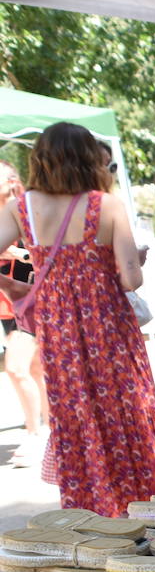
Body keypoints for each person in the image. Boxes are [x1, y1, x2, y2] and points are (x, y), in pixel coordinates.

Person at [0, 122, 155, 516]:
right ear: (90, 159)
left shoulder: (22, 207)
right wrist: (130, 261)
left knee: (76, 411)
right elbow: (132, 278)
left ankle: (94, 511)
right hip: (110, 326)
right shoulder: (106, 204)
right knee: (129, 406)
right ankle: (147, 502)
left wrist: (14, 286)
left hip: (58, 330)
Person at [0, 159, 48, 468]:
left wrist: (18, 252)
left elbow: (40, 247)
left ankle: (35, 434)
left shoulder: (24, 207)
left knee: (20, 368)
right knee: (31, 369)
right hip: (6, 301)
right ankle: (47, 430)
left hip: (27, 299)